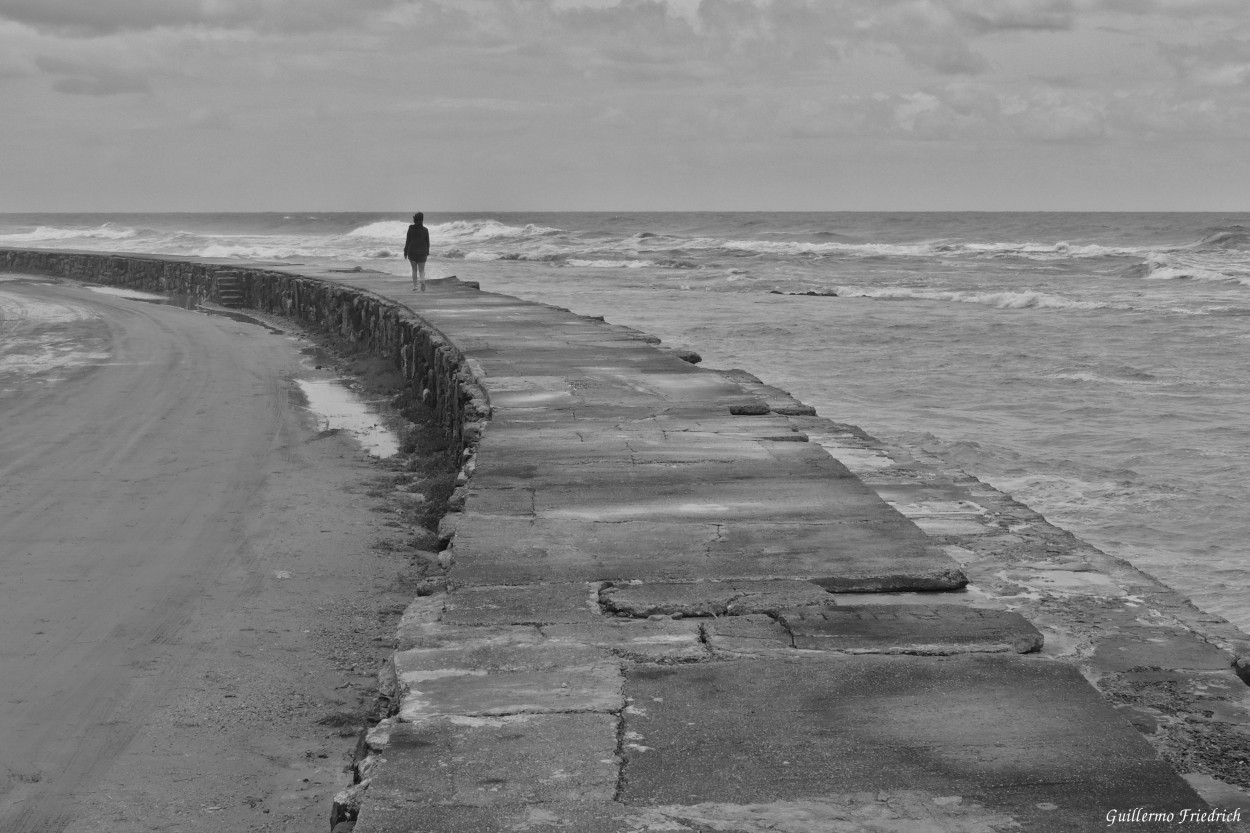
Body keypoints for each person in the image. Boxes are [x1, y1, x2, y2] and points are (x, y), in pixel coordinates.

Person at [404, 212, 430, 291]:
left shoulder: (410, 229)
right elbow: (427, 242)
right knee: (421, 270)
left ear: (414, 220)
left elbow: (407, 241)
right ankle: (422, 280)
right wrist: (427, 252)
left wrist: (405, 251)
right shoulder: (425, 230)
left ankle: (415, 287)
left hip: (412, 251)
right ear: (422, 220)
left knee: (414, 270)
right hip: (422, 252)